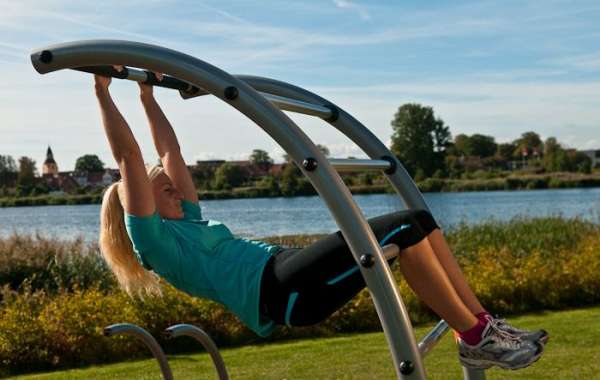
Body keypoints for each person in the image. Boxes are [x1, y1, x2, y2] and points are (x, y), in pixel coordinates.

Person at [95, 71, 547, 370]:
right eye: (163, 187)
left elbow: (170, 152)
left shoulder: (189, 220)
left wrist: (146, 95)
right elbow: (129, 157)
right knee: (405, 228)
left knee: (420, 222)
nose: (173, 185)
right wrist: (103, 92)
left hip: (286, 269)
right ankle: (473, 336)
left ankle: (482, 324)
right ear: (140, 206)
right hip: (281, 292)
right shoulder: (154, 240)